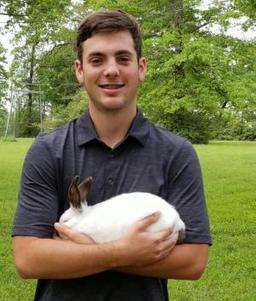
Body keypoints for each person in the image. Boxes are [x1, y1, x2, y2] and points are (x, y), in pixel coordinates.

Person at [12, 9, 212, 301]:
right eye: (97, 60)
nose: (111, 70)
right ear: (79, 70)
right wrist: (122, 252)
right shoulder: (48, 150)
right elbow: (29, 258)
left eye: (123, 58)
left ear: (141, 67)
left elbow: (193, 260)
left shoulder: (176, 153)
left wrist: (81, 247)